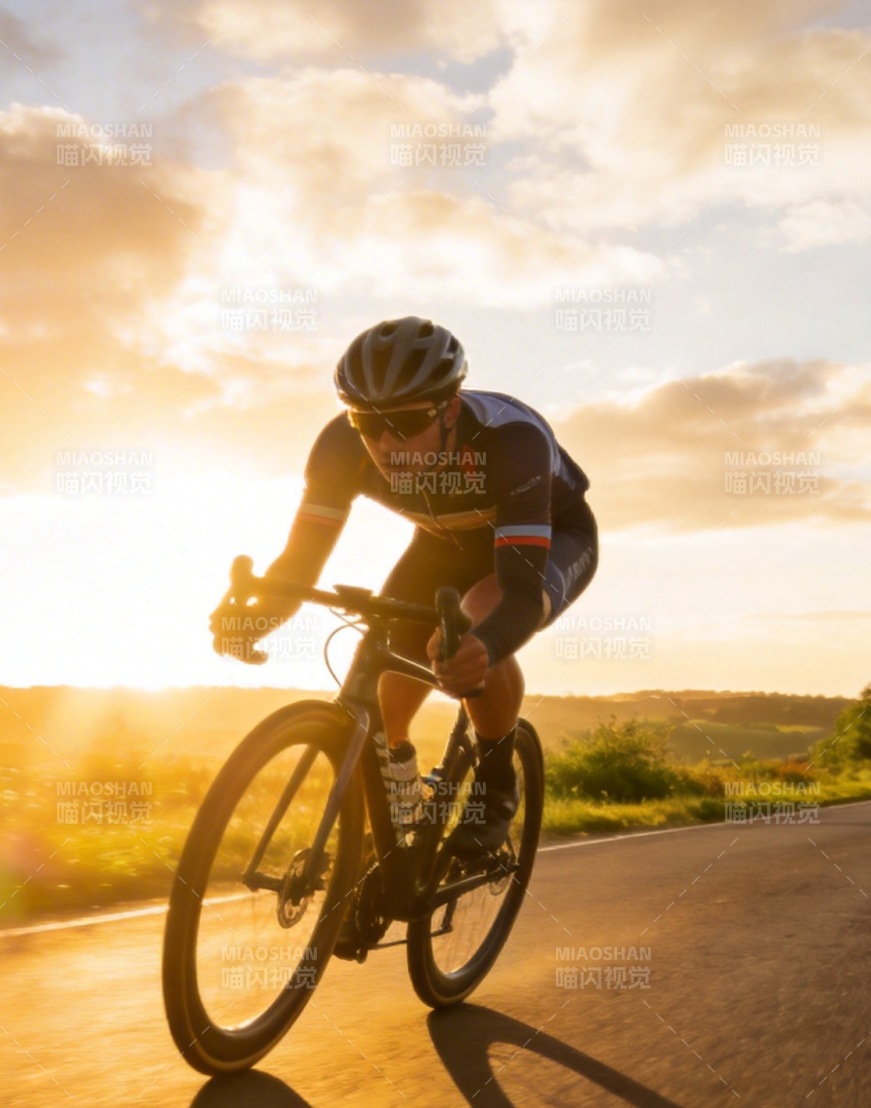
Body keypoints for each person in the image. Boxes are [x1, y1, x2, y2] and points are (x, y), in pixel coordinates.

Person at [212, 316, 599, 856]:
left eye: (408, 420)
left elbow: (516, 593)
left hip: (549, 539)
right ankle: (390, 836)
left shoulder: (512, 442)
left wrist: (483, 648)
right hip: (440, 545)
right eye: (367, 424)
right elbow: (300, 563)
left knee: (479, 617)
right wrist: (258, 618)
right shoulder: (338, 447)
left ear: (451, 409)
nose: (386, 443)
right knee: (381, 693)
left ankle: (495, 781)